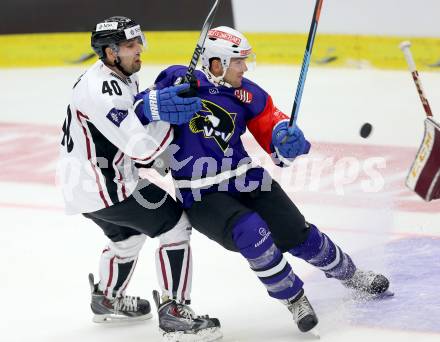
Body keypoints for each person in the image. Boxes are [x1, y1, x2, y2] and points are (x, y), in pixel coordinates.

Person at [149, 26, 391, 334]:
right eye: (238, 61)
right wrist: (158, 102)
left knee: (299, 235)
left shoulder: (248, 92)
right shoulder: (176, 78)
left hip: (247, 180)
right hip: (201, 194)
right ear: (217, 63)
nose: (245, 67)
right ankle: (294, 298)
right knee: (253, 233)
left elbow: (272, 128)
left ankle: (349, 274)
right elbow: (143, 111)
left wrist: (284, 138)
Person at [57, 16, 221, 341]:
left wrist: (157, 102)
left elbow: (135, 119)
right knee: (175, 224)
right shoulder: (102, 92)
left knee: (127, 238)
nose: (139, 51)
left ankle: (106, 298)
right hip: (107, 187)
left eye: (138, 43)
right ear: (109, 52)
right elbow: (144, 151)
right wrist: (165, 116)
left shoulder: (116, 76)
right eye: (130, 46)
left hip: (87, 184)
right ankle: (175, 313)